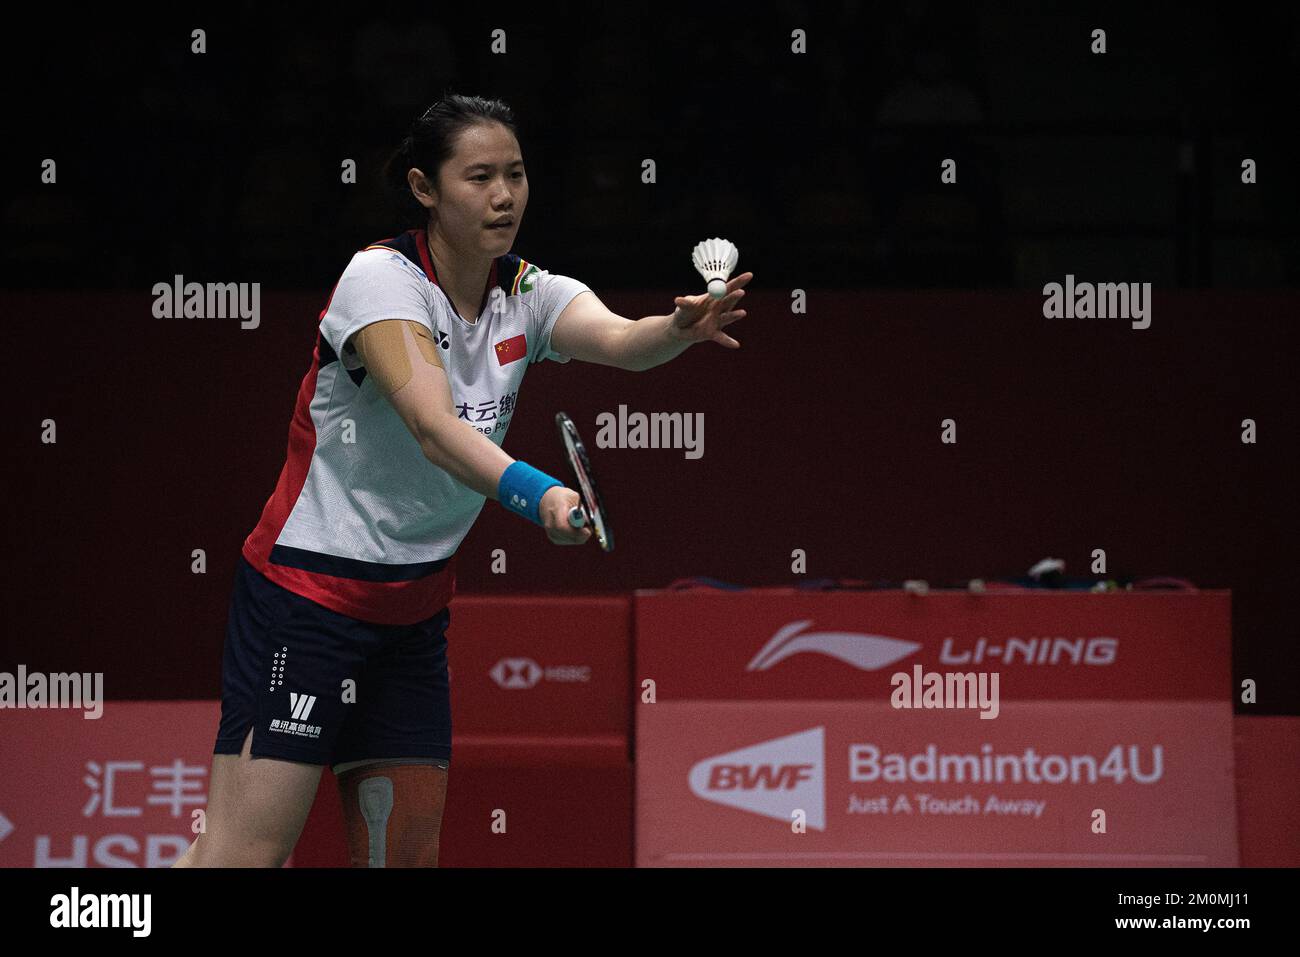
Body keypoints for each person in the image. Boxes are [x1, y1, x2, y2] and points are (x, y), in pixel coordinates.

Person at [174, 93, 753, 868]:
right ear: (424, 188)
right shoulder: (380, 282)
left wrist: (676, 331)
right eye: (479, 176)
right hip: (306, 602)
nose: (504, 195)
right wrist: (539, 492)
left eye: (515, 174)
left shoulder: (529, 293)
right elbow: (436, 430)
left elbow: (622, 339)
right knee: (242, 858)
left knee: (405, 859)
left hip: (412, 616)